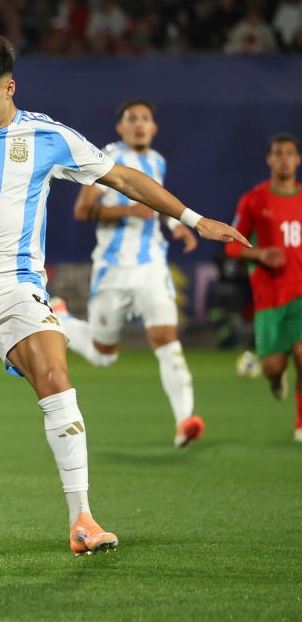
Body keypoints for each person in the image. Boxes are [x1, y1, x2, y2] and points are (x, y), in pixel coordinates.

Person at [0, 36, 248, 560]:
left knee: (55, 377)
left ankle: (82, 519)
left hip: (17, 289)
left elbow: (123, 178)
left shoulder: (48, 137)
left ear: (9, 88)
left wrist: (194, 219)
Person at [50, 100, 205, 448]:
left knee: (166, 339)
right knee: (104, 354)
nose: (139, 124)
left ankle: (185, 422)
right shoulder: (106, 159)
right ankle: (62, 319)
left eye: (145, 119)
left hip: (152, 267)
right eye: (131, 119)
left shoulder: (158, 161)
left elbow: (155, 203)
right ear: (120, 128)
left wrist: (175, 225)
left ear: (154, 128)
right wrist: (128, 211)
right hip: (113, 271)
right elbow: (82, 211)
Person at [224, 133, 302, 442]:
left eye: (290, 153)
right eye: (278, 153)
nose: (284, 159)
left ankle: (300, 423)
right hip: (269, 296)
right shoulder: (254, 200)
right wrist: (258, 254)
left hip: (300, 292)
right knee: (272, 367)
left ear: (298, 160)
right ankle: (275, 379)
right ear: (269, 159)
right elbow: (231, 246)